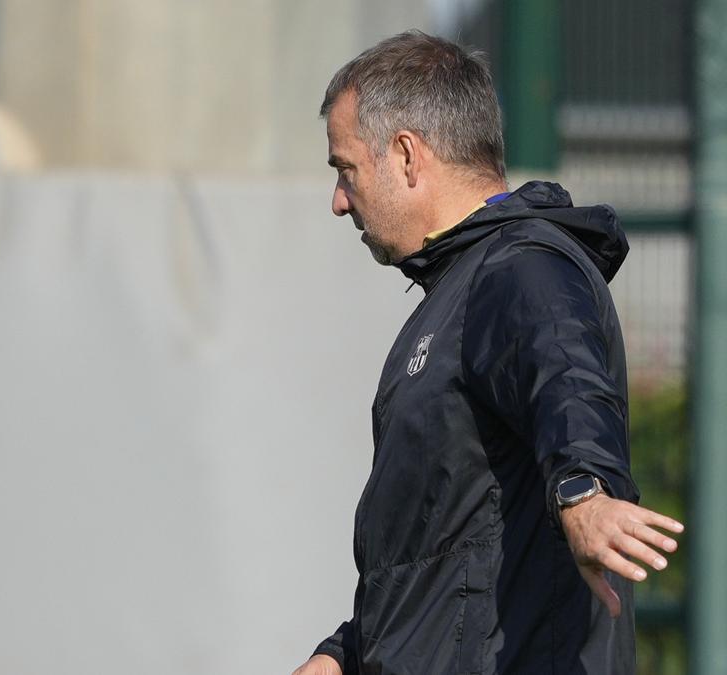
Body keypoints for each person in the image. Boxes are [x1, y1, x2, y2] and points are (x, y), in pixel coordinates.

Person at [291, 31, 684, 675]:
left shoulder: (522, 267)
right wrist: (344, 655)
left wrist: (584, 489)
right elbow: (446, 558)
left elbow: (565, 373)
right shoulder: (456, 294)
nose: (339, 200)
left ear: (407, 156)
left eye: (345, 169)